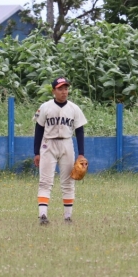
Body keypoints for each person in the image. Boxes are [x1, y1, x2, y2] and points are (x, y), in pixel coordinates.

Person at [33, 77, 87, 225]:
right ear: (53, 91)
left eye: (66, 88)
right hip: (48, 144)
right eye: (60, 89)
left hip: (66, 144)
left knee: (69, 181)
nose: (64, 92)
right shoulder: (45, 107)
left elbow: (80, 131)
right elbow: (39, 130)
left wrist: (81, 153)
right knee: (45, 181)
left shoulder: (74, 108)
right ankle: (43, 216)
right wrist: (36, 152)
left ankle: (68, 217)